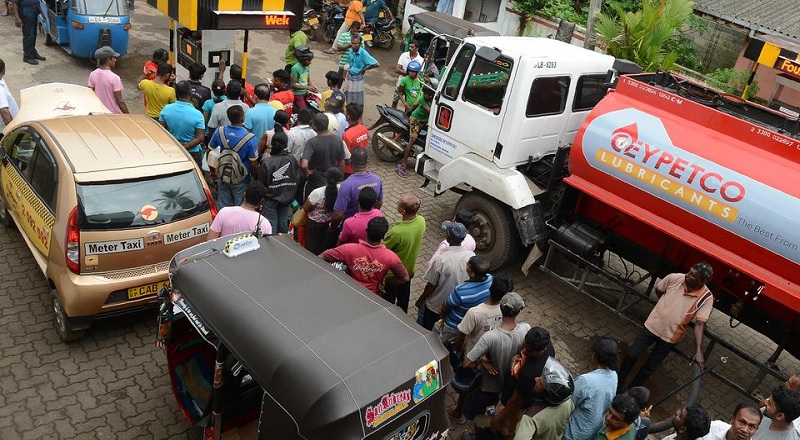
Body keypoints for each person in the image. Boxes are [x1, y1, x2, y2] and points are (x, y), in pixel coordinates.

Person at [618, 262, 714, 391]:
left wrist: (698, 351)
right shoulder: (675, 278)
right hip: (651, 326)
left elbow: (699, 324)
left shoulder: (706, 298)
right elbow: (659, 290)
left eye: (693, 275)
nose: (688, 275)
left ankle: (632, 391)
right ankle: (618, 384)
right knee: (631, 355)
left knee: (649, 367)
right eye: (689, 271)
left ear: (701, 281)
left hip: (670, 337)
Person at [448, 275, 513, 422]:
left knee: (467, 386)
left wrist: (458, 350)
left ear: (489, 289)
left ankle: (458, 413)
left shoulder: (475, 312)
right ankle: (484, 412)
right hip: (493, 356)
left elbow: (462, 335)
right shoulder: (507, 311)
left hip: (473, 355)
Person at [461, 292, 530, 425]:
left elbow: (466, 363)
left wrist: (482, 361)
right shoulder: (525, 329)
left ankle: (473, 429)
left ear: (500, 308)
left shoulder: (490, 337)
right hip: (509, 386)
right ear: (519, 311)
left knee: (474, 411)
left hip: (490, 385)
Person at [492, 326, 557, 436]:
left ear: (540, 351)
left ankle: (505, 433)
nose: (524, 350)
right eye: (524, 344)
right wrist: (515, 359)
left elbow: (515, 401)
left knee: (510, 424)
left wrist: (497, 419)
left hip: (519, 397)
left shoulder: (529, 373)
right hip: (523, 389)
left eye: (529, 351)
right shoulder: (548, 346)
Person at [321, 217, 409, 295]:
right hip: (372, 297)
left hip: (348, 291)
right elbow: (405, 278)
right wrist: (384, 282)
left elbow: (323, 256)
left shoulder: (348, 249)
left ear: (366, 230)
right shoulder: (390, 257)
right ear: (383, 236)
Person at [416, 221, 474, 329]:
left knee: (427, 331)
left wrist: (420, 300)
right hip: (456, 306)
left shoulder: (441, 260)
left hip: (436, 307)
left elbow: (431, 286)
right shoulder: (471, 256)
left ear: (448, 238)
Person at [564, 337, 620, 440]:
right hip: (593, 430)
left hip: (573, 433)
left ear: (593, 355)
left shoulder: (585, 381)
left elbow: (568, 404)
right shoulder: (614, 375)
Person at [208, 105, 259, 209]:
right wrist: (256, 178)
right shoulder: (250, 138)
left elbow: (210, 152)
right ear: (242, 118)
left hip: (223, 175)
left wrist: (213, 171)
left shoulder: (220, 131)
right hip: (241, 179)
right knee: (240, 207)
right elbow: (253, 164)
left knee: (223, 206)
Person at [514, 357, 576, 440]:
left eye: (541, 383)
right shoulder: (568, 403)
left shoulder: (530, 418)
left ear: (547, 394)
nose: (536, 379)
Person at [382, 194, 425, 313]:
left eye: (399, 204)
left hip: (393, 274)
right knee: (403, 300)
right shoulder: (421, 221)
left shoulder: (397, 232)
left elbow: (384, 249)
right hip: (409, 270)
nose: (397, 204)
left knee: (388, 300)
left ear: (403, 211)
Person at [259, 112, 300, 234]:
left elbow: (262, 184)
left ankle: (272, 247)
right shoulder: (292, 160)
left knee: (271, 224)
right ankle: (284, 243)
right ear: (286, 144)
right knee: (283, 222)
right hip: (287, 198)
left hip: (270, 198)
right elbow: (297, 177)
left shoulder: (267, 162)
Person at [440, 256, 493, 346]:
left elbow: (446, 307)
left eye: (468, 265)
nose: (466, 265)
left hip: (454, 326)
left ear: (472, 274)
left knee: (442, 346)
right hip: (471, 326)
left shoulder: (460, 291)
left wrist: (442, 318)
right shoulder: (490, 279)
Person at [331, 147, 382, 227]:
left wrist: (332, 228)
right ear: (367, 162)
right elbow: (379, 203)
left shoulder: (346, 185)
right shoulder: (377, 180)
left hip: (350, 227)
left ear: (350, 163)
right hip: (369, 225)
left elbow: (338, 215)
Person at [159, 81, 205, 168]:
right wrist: (183, 148)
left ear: (176, 93)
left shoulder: (166, 110)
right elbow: (200, 138)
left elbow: (161, 132)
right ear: (190, 93)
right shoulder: (197, 114)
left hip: (172, 150)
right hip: (192, 153)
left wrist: (178, 148)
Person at [300, 113, 346, 199]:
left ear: (315, 127)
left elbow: (303, 165)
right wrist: (340, 179)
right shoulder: (338, 140)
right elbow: (342, 163)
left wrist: (307, 173)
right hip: (332, 177)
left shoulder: (312, 142)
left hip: (316, 180)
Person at [207, 180, 272, 239]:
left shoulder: (224, 212)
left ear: (244, 194)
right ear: (261, 200)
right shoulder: (265, 224)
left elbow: (210, 240)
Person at [303, 167, 343, 255]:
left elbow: (306, 208)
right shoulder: (341, 190)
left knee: (312, 251)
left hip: (315, 226)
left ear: (325, 177)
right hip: (331, 224)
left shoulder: (317, 193)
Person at [397, 84, 433, 177]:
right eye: (424, 93)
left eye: (426, 93)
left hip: (424, 122)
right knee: (413, 139)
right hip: (415, 120)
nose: (424, 94)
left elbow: (414, 105)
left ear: (430, 95)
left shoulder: (432, 100)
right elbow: (430, 111)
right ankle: (403, 163)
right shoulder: (422, 99)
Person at [87, 46, 128, 114]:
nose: (115, 60)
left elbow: (90, 94)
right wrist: (128, 115)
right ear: (108, 59)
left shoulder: (93, 74)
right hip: (113, 114)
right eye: (114, 58)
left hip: (98, 112)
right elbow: (120, 101)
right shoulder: (115, 78)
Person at [342, 35, 379, 106]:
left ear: (360, 44)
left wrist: (364, 69)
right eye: (353, 43)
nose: (354, 45)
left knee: (357, 97)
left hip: (358, 77)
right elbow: (348, 63)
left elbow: (377, 64)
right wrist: (344, 75)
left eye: (356, 43)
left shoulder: (363, 53)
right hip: (349, 75)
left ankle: (357, 112)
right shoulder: (350, 51)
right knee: (347, 95)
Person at [392, 40, 424, 108]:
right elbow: (397, 70)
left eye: (412, 47)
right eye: (409, 46)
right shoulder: (404, 55)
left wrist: (403, 71)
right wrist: (411, 73)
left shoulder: (421, 60)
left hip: (412, 86)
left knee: (409, 104)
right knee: (395, 101)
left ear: (417, 48)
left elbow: (418, 75)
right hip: (401, 82)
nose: (410, 48)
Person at [12, 0, 44, 65]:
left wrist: (41, 12)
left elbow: (36, 2)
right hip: (26, 14)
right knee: (28, 35)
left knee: (33, 34)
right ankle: (27, 56)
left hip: (34, 12)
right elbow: (14, 4)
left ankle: (33, 52)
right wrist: (17, 18)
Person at [342, 103, 368, 174]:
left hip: (349, 169)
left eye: (346, 112)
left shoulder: (347, 135)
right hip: (360, 165)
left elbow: (344, 154)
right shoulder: (364, 129)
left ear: (348, 116)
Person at [291, 46, 318, 111]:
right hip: (297, 93)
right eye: (308, 60)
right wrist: (307, 87)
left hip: (305, 92)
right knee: (304, 110)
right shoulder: (295, 68)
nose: (310, 62)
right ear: (302, 59)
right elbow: (293, 85)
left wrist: (312, 87)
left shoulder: (307, 67)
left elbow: (308, 79)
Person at [0, 59, 19, 130]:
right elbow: (4, 112)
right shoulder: (0, 91)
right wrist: (12, 131)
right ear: (3, 71)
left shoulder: (1, 80)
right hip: (4, 130)